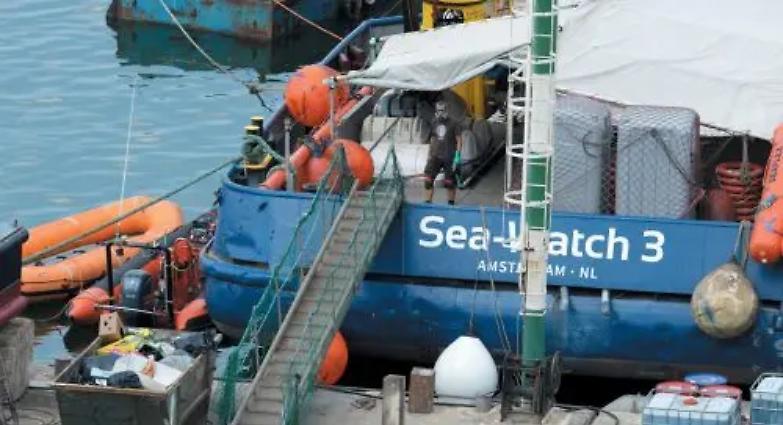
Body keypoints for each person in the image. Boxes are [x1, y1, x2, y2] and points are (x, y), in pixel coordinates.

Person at [424, 100, 462, 205]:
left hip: (449, 157)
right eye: (438, 110)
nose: (440, 113)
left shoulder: (454, 123)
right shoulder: (434, 122)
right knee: (428, 180)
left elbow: (459, 140)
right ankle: (428, 203)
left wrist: (457, 157)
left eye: (442, 110)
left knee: (450, 183)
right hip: (435, 156)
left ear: (446, 110)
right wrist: (429, 155)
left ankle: (451, 204)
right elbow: (432, 138)